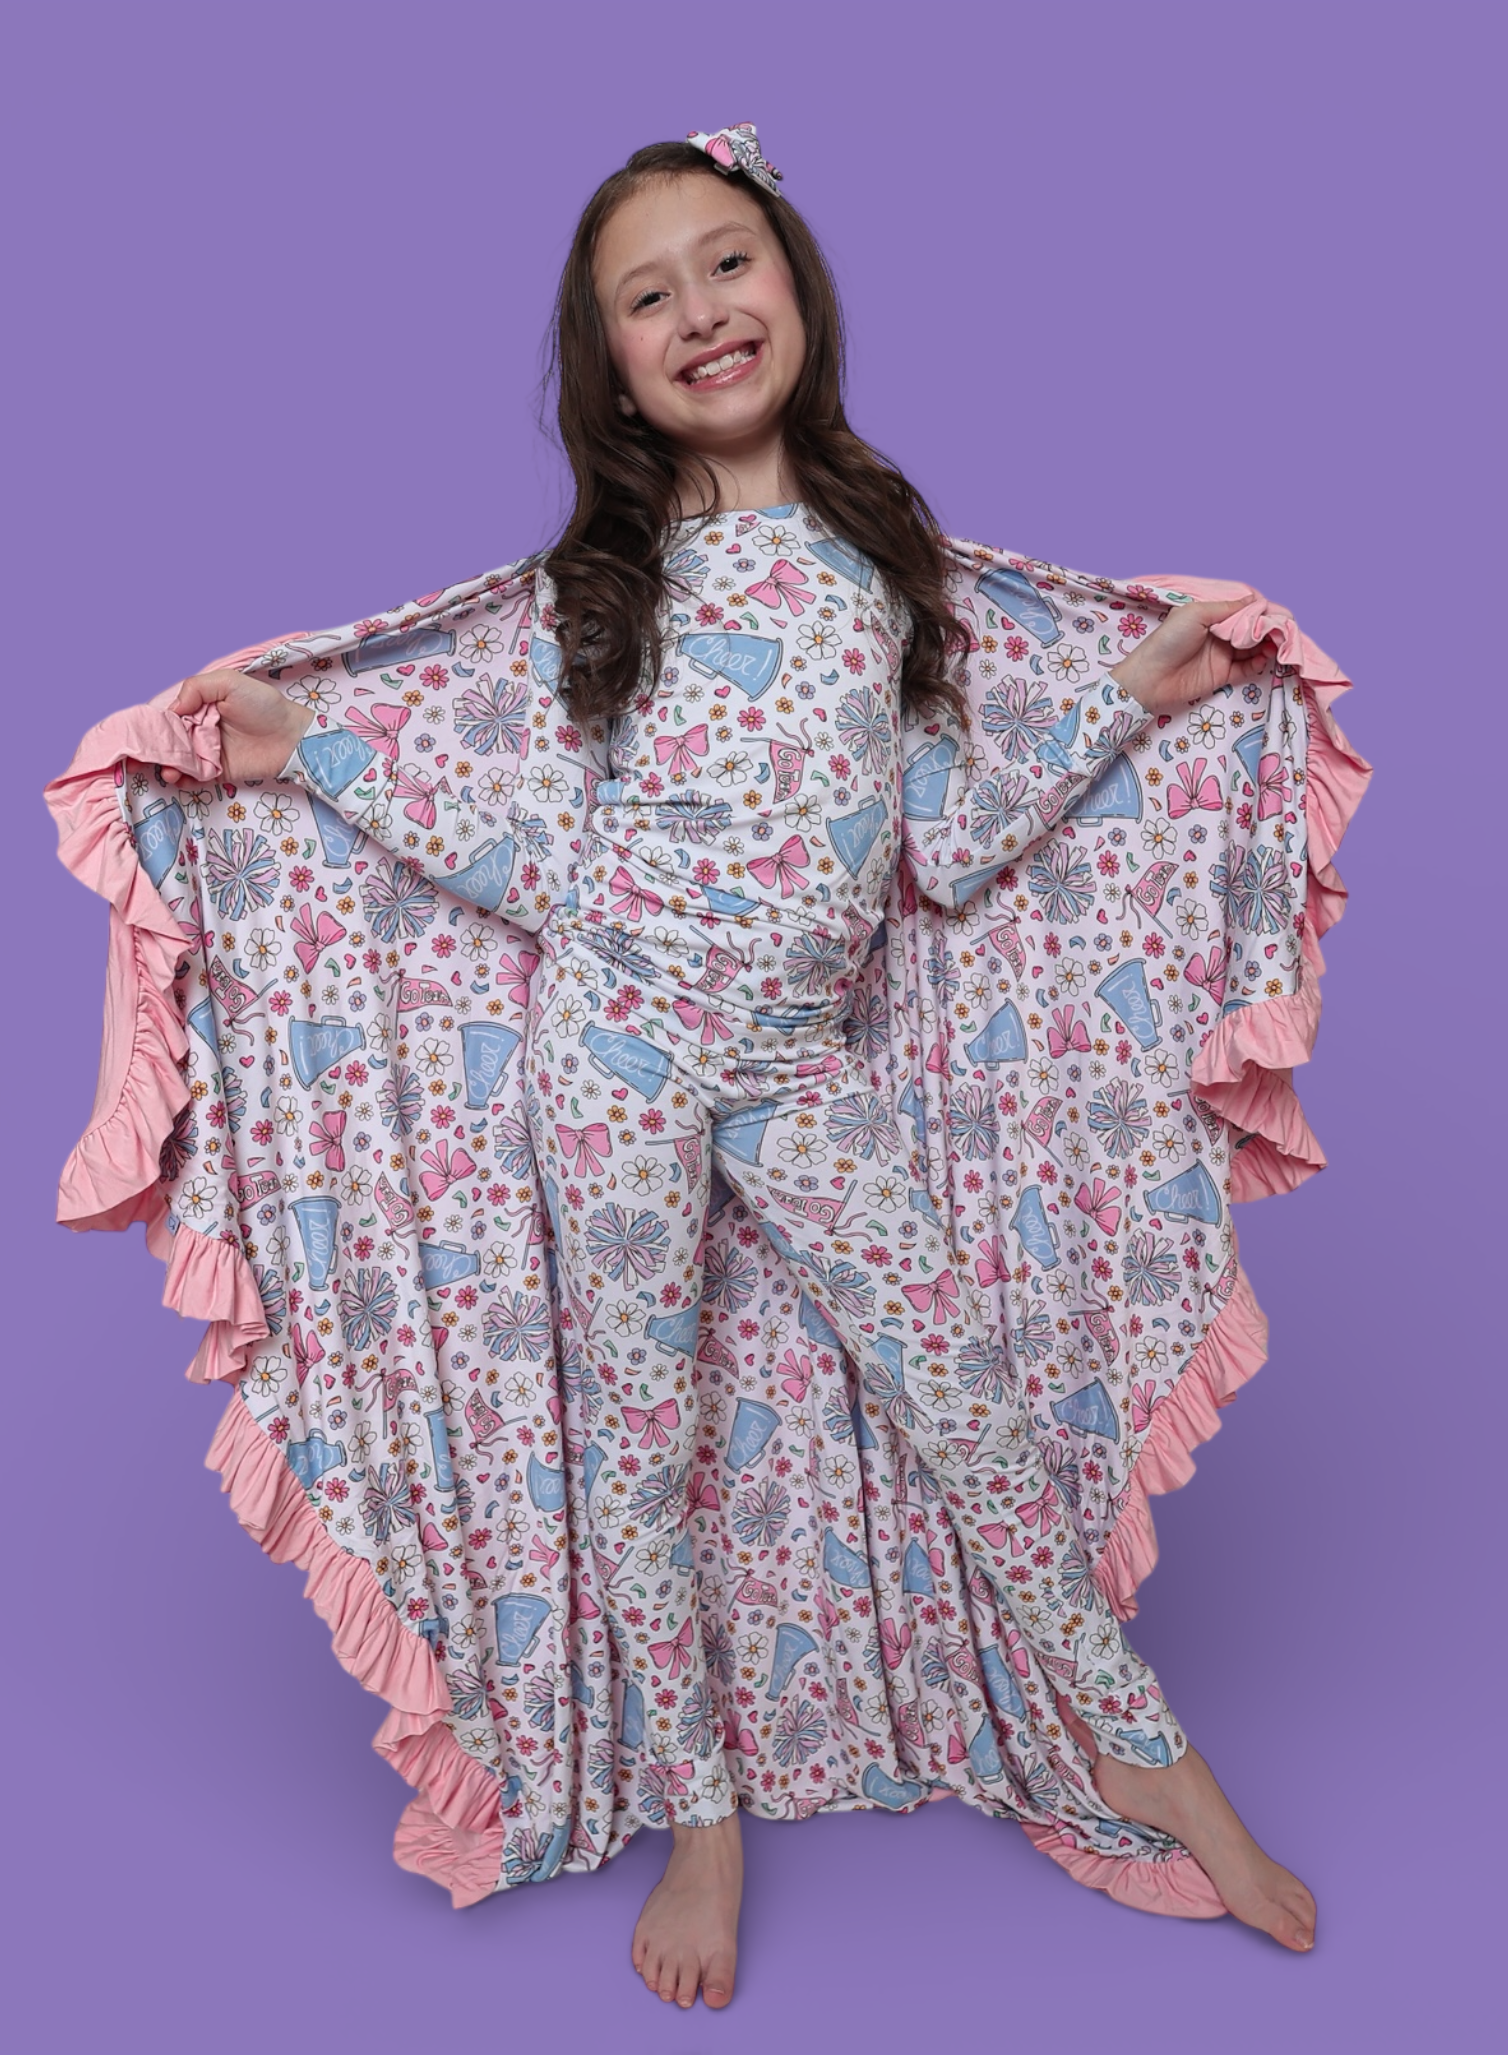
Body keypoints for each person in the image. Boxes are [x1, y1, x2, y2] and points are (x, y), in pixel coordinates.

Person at [154, 127, 1318, 2007]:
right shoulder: (608, 584)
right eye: (648, 295)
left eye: (728, 262)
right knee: (640, 1438)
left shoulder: (883, 554)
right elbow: (548, 857)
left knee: (965, 1396)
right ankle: (700, 1817)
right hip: (613, 1043)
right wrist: (314, 752)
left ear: (795, 289)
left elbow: (941, 837)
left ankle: (1139, 1751)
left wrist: (1127, 698)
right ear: (612, 368)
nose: (700, 309)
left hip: (795, 1058)